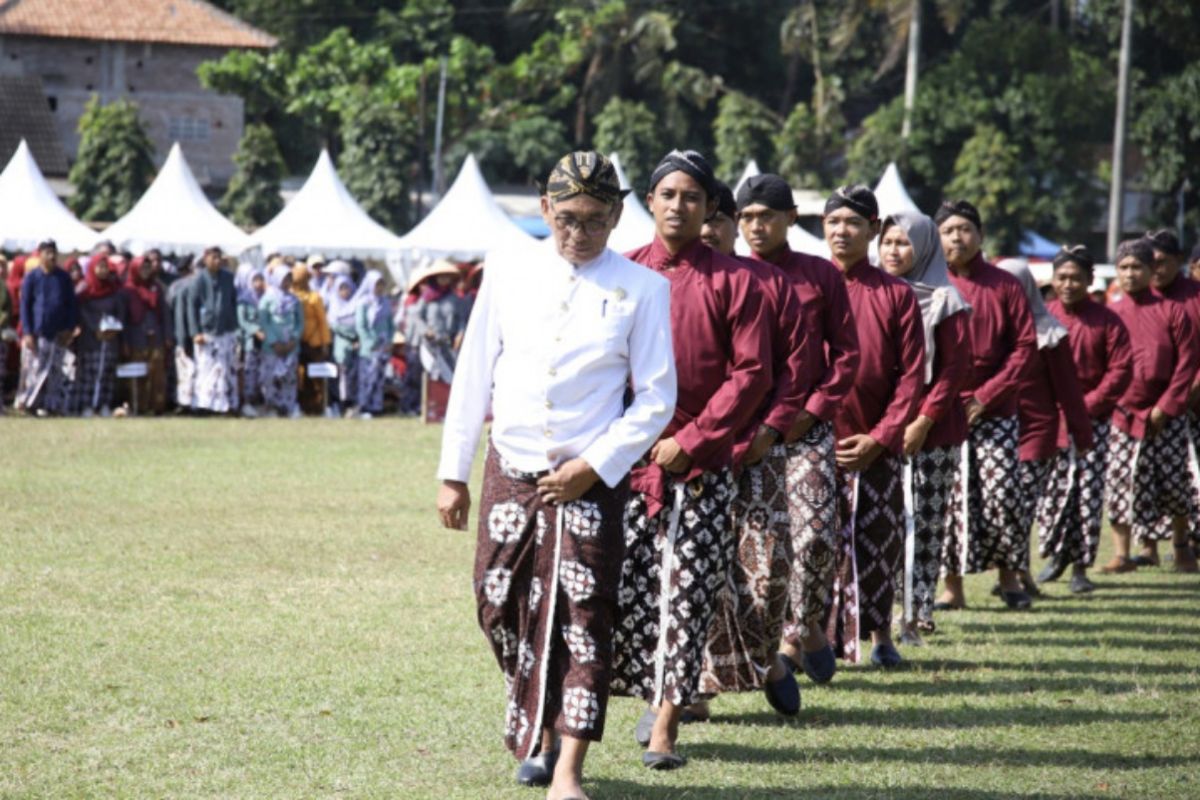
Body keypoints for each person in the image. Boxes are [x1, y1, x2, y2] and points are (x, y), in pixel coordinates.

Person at [437, 151, 675, 800]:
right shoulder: (507, 272)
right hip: (510, 469)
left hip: (592, 481)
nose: (579, 233)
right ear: (545, 209)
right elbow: (473, 375)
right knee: (496, 603)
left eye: (596, 221)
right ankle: (538, 718)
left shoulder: (642, 289)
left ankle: (567, 767)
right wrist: (452, 473)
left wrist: (593, 465)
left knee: (584, 615)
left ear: (618, 216)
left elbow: (656, 398)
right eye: (567, 218)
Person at [612, 149, 773, 768]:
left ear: (709, 209)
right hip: (628, 462)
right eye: (667, 194)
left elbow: (751, 375)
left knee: (690, 590)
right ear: (649, 202)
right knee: (629, 590)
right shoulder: (623, 272)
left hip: (703, 464)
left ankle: (667, 725)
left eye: (691, 197)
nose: (678, 205)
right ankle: (634, 698)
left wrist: (696, 441)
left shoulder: (739, 283)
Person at [700, 176, 810, 717]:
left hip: (761, 447)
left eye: (718, 219)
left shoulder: (767, 283)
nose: (707, 229)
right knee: (697, 571)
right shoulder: (658, 281)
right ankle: (691, 687)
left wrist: (770, 430)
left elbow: (798, 367)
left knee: (770, 573)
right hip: (690, 453)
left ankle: (768, 656)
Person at [744, 188, 859, 686]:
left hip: (807, 430)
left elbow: (847, 354)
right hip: (749, 432)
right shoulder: (735, 273)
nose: (755, 226)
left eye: (766, 216)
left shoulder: (820, 274)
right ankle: (767, 650)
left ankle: (806, 623)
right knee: (764, 550)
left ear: (790, 217)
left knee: (814, 537)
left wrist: (812, 412)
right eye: (745, 217)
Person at [814, 186, 926, 667]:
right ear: (823, 228)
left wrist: (881, 437)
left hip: (876, 442)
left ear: (873, 230)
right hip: (814, 441)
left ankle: (880, 637)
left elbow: (911, 375)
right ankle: (809, 637)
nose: (843, 231)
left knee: (878, 539)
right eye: (834, 221)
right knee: (815, 544)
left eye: (854, 222)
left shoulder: (896, 295)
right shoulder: (806, 287)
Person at [935, 200, 1039, 611]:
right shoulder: (931, 283)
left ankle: (1010, 579)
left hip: (995, 412)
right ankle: (951, 589)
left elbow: (1025, 347)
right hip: (941, 411)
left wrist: (985, 397)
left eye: (964, 228)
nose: (957, 237)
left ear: (980, 235)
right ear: (937, 237)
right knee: (947, 500)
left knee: (1002, 495)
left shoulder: (1005, 284)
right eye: (948, 230)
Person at [877, 210, 971, 644]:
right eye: (888, 242)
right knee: (885, 522)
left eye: (903, 243)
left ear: (925, 247)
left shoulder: (945, 299)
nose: (893, 252)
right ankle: (877, 610)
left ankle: (914, 614)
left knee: (926, 523)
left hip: (933, 429)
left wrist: (922, 420)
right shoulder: (875, 294)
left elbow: (953, 370)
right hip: (881, 425)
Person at [1102, 238, 1200, 574]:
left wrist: (1167, 405)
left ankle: (1181, 548)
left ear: (1150, 270)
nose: (1130, 275)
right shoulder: (1110, 313)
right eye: (1124, 268)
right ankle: (1122, 553)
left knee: (1174, 483)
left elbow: (1188, 361)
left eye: (1137, 267)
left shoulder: (1172, 310)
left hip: (1166, 414)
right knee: (1120, 483)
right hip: (1122, 414)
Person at [1040, 246, 1133, 591]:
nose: (1068, 284)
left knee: (1087, 495)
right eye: (1062, 277)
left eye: (1075, 278)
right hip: (1051, 422)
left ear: (1090, 281)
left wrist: (1085, 408)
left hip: (1092, 423)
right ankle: (1055, 557)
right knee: (1051, 495)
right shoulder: (1045, 315)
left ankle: (1081, 567)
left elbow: (1120, 371)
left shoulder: (1108, 321)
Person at [999, 259, 1095, 592]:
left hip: (1036, 434)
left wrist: (1081, 434)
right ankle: (1013, 574)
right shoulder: (993, 327)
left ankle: (1018, 575)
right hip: (996, 433)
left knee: (1020, 509)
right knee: (1003, 508)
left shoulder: (1049, 332)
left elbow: (1068, 389)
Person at [1134, 230, 1200, 565]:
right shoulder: (1139, 299)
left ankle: (1183, 546)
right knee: (1144, 475)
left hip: (1192, 403)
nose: (1155, 268)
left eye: (1162, 261)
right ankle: (1146, 547)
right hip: (1150, 406)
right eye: (1150, 262)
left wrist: (1187, 392)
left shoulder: (1194, 297)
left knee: (1184, 480)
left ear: (1179, 261)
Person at [17, 240, 78, 416]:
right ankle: (29, 404)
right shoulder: (32, 277)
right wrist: (27, 332)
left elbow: (71, 305)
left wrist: (69, 328)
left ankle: (51, 406)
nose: (51, 256)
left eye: (53, 253)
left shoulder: (63, 278)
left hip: (59, 333)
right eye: (47, 253)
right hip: (37, 333)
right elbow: (25, 306)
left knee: (55, 372)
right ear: (40, 255)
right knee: (35, 370)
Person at [185, 246, 239, 415]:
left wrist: (235, 329)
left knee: (225, 369)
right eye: (213, 257)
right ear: (206, 259)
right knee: (205, 370)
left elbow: (233, 303)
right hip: (205, 333)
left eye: (218, 257)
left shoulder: (228, 278)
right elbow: (191, 307)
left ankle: (225, 406)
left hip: (225, 331)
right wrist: (195, 332)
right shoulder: (198, 279)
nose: (216, 261)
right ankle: (203, 406)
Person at [73, 256, 128, 417]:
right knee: (89, 374)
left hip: (110, 340)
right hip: (90, 340)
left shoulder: (114, 290)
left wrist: (114, 328)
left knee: (106, 374)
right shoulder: (84, 289)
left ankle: (103, 404)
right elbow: (81, 312)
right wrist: (95, 328)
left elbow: (120, 313)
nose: (103, 271)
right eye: (100, 267)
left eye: (105, 267)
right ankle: (87, 405)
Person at [122, 253, 170, 415]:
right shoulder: (127, 290)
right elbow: (124, 318)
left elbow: (164, 314)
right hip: (136, 338)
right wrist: (125, 342)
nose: (145, 271)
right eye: (142, 268)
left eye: (148, 268)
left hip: (156, 337)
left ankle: (157, 407)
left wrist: (167, 336)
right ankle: (139, 406)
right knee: (138, 374)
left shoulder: (157, 287)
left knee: (157, 374)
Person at [406, 260, 469, 384]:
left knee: (451, 376)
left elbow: (461, 319)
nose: (444, 279)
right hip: (431, 345)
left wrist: (461, 333)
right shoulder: (426, 297)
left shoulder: (455, 298)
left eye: (447, 276)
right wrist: (425, 330)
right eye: (441, 276)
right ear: (435, 278)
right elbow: (416, 316)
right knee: (434, 376)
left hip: (449, 345)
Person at [258, 266, 303, 418]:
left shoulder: (295, 300)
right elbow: (264, 321)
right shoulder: (267, 299)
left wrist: (293, 340)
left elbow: (300, 323)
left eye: (289, 279)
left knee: (289, 378)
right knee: (270, 378)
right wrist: (274, 342)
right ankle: (272, 407)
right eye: (284, 279)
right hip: (272, 347)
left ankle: (288, 407)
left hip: (291, 346)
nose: (286, 282)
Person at [292, 262, 332, 415]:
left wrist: (325, 343)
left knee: (315, 377)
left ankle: (317, 407)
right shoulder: (291, 296)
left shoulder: (315, 297)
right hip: (296, 341)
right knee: (299, 375)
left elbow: (322, 321)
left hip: (313, 342)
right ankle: (300, 405)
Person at [354, 271, 395, 418]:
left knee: (379, 377)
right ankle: (364, 406)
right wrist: (371, 342)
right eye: (377, 285)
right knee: (367, 377)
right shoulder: (363, 303)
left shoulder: (385, 302)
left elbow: (391, 324)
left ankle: (376, 407)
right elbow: (360, 325)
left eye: (381, 285)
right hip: (369, 347)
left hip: (383, 346)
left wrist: (389, 341)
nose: (379, 288)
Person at [235, 263, 266, 417]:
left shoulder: (265, 298)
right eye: (255, 280)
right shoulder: (243, 299)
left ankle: (260, 402)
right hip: (248, 342)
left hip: (264, 342)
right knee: (249, 372)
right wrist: (255, 330)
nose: (259, 283)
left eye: (261, 279)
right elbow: (242, 321)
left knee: (261, 372)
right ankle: (247, 403)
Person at [326, 274, 359, 417]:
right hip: (340, 348)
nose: (345, 291)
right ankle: (340, 404)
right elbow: (334, 325)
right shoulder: (333, 305)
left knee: (352, 376)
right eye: (341, 288)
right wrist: (352, 336)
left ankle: (351, 404)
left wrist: (358, 337)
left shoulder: (357, 303)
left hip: (355, 348)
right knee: (340, 376)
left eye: (347, 288)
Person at [168, 259, 197, 413]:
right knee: (184, 371)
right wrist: (182, 337)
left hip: (198, 338)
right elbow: (178, 315)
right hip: (182, 336)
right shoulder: (181, 287)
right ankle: (183, 403)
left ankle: (193, 404)